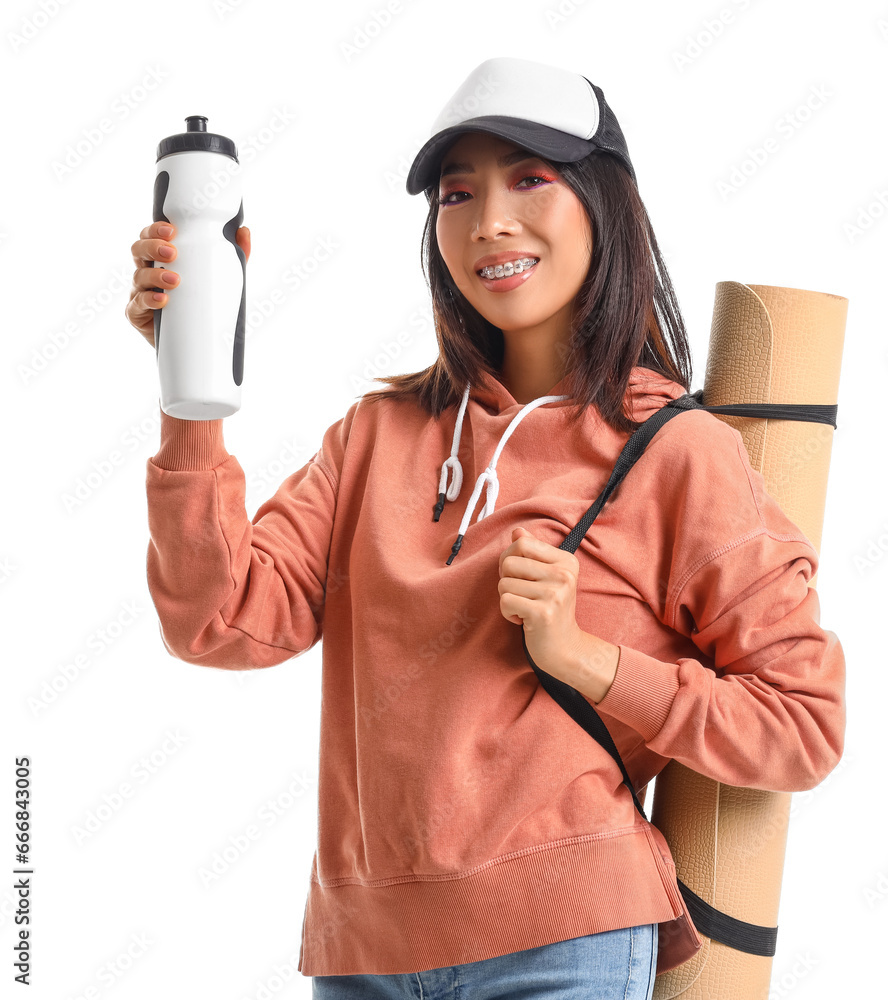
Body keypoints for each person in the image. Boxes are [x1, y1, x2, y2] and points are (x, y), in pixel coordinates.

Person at [126, 57, 845, 1000]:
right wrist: (190, 391)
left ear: (603, 202)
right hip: (362, 953)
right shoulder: (376, 438)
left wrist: (590, 660)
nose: (489, 220)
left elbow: (803, 725)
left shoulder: (676, 451)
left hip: (566, 943)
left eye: (530, 178)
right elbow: (218, 622)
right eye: (457, 193)